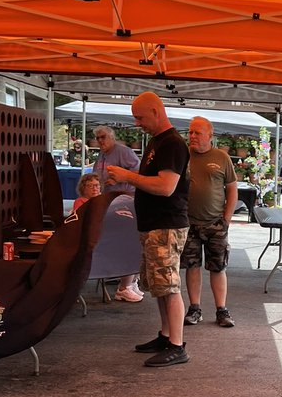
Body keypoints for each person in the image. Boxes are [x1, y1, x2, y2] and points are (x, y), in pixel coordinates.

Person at [105, 93, 190, 367]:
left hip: (166, 225)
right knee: (159, 285)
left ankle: (177, 345)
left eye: (140, 117)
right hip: (154, 225)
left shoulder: (173, 144)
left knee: (169, 284)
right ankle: (166, 336)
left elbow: (166, 187)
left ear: (156, 111)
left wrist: (127, 176)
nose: (137, 123)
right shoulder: (157, 141)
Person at [183, 116, 238, 328]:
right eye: (190, 132)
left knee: (218, 267)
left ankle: (221, 310)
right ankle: (194, 309)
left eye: (197, 132)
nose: (193, 136)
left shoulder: (222, 157)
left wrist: (227, 219)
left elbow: (232, 189)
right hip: (189, 223)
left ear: (210, 135)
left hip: (216, 223)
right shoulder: (183, 156)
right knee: (192, 266)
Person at [92, 126, 143, 302]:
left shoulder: (124, 152)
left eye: (103, 137)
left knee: (128, 240)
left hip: (125, 200)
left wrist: (122, 177)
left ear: (112, 137)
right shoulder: (101, 155)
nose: (100, 141)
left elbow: (139, 171)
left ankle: (127, 284)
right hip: (107, 201)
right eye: (97, 138)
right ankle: (128, 280)